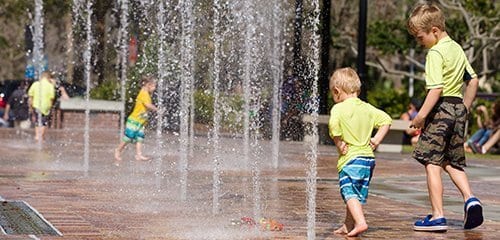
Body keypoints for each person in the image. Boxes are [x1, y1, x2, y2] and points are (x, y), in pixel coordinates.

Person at [407, 3, 483, 231]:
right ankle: (470, 199)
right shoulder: (457, 48)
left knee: (432, 163)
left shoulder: (436, 52)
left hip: (440, 109)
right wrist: (465, 109)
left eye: (420, 38)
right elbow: (474, 80)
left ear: (435, 31)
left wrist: (420, 117)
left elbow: (436, 89)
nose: (420, 43)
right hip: (458, 107)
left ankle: (438, 216)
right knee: (451, 161)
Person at [328, 67, 391, 237]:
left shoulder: (339, 108)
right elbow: (386, 120)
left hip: (350, 159)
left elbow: (333, 126)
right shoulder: (368, 108)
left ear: (337, 91)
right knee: (355, 193)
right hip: (368, 160)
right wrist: (376, 140)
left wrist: (339, 142)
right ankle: (348, 225)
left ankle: (360, 222)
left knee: (348, 192)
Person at [114, 76, 158, 165]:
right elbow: (147, 105)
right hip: (134, 120)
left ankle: (138, 155)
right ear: (148, 85)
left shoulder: (146, 93)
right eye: (154, 86)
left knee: (139, 138)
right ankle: (118, 150)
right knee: (128, 137)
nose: (155, 88)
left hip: (140, 121)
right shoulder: (144, 93)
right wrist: (157, 109)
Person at [28, 71, 56, 142]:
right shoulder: (50, 85)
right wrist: (51, 107)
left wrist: (31, 106)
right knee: (44, 122)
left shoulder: (35, 84)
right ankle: (41, 136)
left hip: (36, 105)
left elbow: (31, 96)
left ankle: (37, 135)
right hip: (45, 106)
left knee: (37, 121)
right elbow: (52, 98)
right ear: (48, 78)